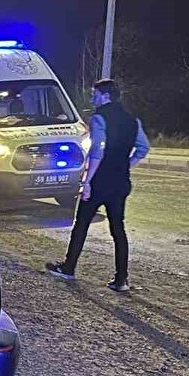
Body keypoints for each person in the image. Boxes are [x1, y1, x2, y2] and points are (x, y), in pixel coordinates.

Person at [46, 79, 150, 292]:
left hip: (100, 180)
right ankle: (121, 279)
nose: (92, 97)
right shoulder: (133, 121)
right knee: (118, 229)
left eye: (95, 94)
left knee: (81, 224)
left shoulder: (100, 118)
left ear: (105, 95)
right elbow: (143, 148)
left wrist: (87, 182)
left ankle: (69, 267)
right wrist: (125, 165)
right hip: (120, 182)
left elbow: (97, 152)